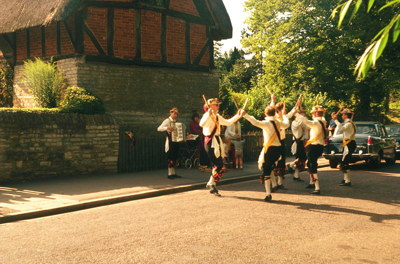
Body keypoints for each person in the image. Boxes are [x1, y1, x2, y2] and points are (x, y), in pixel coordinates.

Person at [199, 98, 245, 196]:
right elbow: (201, 124)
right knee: (218, 165)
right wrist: (208, 113)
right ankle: (211, 184)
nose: (218, 106)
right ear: (210, 106)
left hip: (217, 141)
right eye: (216, 105)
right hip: (210, 141)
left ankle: (212, 184)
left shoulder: (217, 116)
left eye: (218, 105)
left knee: (218, 165)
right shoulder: (207, 115)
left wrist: (238, 115)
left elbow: (228, 122)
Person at [244, 106, 282, 202]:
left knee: (266, 170)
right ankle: (274, 184)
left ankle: (268, 194)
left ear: (265, 114)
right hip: (279, 149)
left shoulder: (266, 123)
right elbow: (286, 123)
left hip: (269, 149)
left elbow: (255, 122)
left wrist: (245, 115)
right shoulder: (278, 122)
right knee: (271, 167)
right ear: (275, 113)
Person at [295, 105, 327, 195]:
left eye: (313, 113)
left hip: (314, 146)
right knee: (310, 164)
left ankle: (317, 188)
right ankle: (312, 183)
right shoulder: (323, 121)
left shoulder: (316, 122)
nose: (312, 114)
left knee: (312, 166)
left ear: (316, 114)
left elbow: (305, 121)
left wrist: (297, 113)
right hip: (319, 146)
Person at [270, 94, 296, 191]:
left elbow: (291, 114)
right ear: (278, 111)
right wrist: (272, 99)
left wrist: (296, 106)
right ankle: (273, 184)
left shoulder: (284, 117)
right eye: (282, 110)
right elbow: (271, 108)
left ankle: (280, 183)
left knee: (281, 162)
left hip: (282, 141)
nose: (283, 112)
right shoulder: (275, 118)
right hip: (274, 141)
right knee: (273, 162)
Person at [332, 109, 356, 186]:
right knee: (344, 161)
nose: (342, 116)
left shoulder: (349, 124)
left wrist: (335, 120)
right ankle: (345, 179)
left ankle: (347, 181)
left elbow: (341, 129)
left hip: (349, 143)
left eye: (343, 115)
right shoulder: (350, 123)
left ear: (346, 116)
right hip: (348, 143)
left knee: (345, 162)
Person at [157, 107, 182, 179]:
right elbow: (159, 128)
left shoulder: (176, 122)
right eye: (174, 113)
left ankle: (174, 173)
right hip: (170, 142)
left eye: (177, 114)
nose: (175, 115)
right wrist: (167, 128)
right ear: (170, 113)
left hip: (176, 141)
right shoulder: (167, 121)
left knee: (174, 157)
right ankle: (169, 174)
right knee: (170, 157)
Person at [288, 109, 309, 182]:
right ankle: (291, 164)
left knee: (302, 159)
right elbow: (298, 125)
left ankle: (296, 176)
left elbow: (307, 128)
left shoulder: (302, 122)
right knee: (300, 158)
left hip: (301, 142)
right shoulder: (294, 122)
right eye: (303, 114)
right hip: (297, 142)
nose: (304, 115)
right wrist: (301, 118)